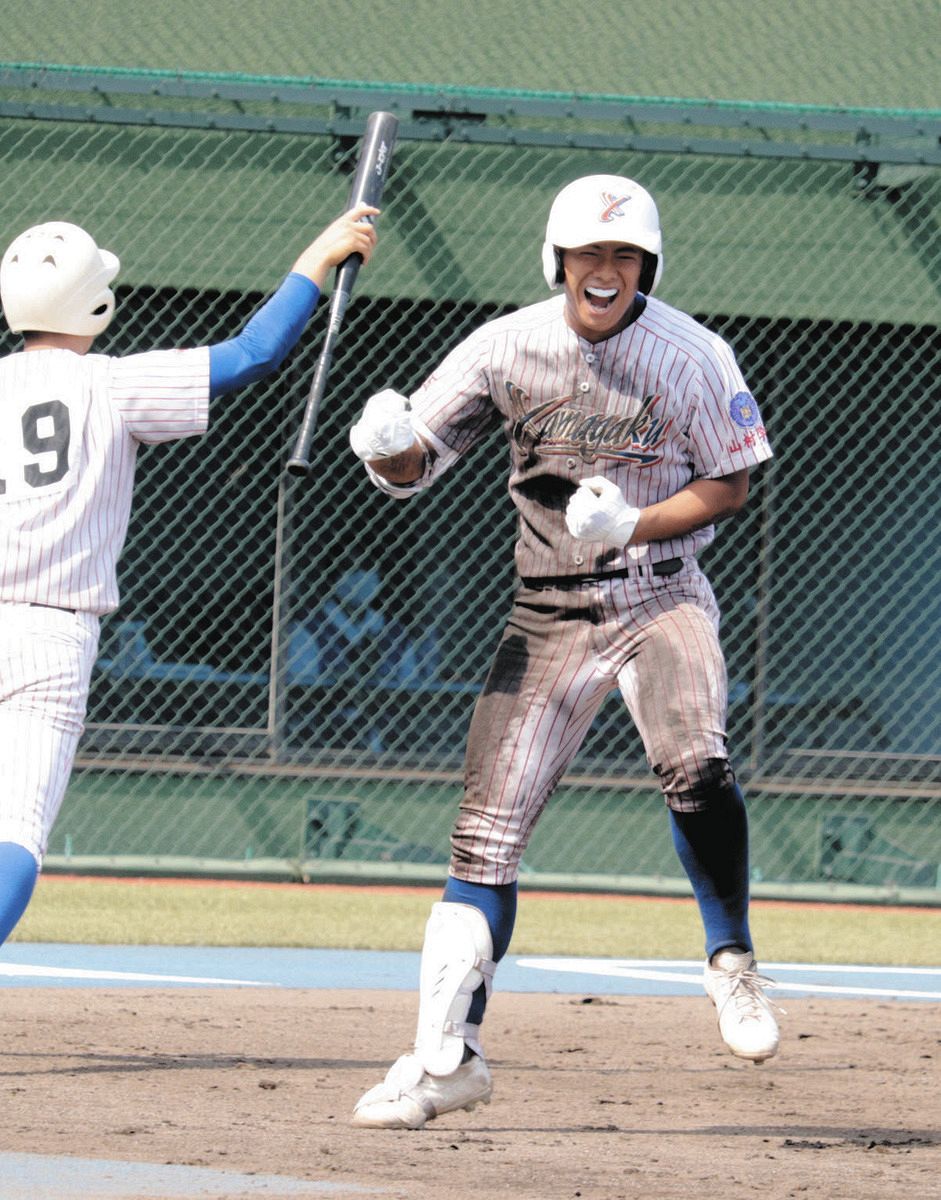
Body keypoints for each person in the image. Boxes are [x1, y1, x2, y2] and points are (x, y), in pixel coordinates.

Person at [346, 174, 778, 1130]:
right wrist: (383, 447)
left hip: (660, 593)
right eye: (591, 254)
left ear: (646, 268)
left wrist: (635, 524)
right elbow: (417, 457)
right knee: (482, 841)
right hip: (544, 610)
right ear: (559, 261)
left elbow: (732, 483)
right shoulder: (506, 346)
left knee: (695, 763)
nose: (607, 271)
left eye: (625, 256)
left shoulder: (693, 355)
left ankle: (730, 960)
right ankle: (445, 1060)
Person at [0, 203, 378, 949]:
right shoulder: (109, 383)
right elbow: (254, 353)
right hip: (50, 634)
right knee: (14, 831)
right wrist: (319, 254)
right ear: (93, 302)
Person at [285, 566, 416, 750]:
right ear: (336, 578)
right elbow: (303, 690)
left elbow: (410, 689)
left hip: (385, 737)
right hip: (321, 735)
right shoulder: (309, 625)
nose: (361, 579)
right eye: (352, 570)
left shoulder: (394, 633)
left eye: (368, 569)